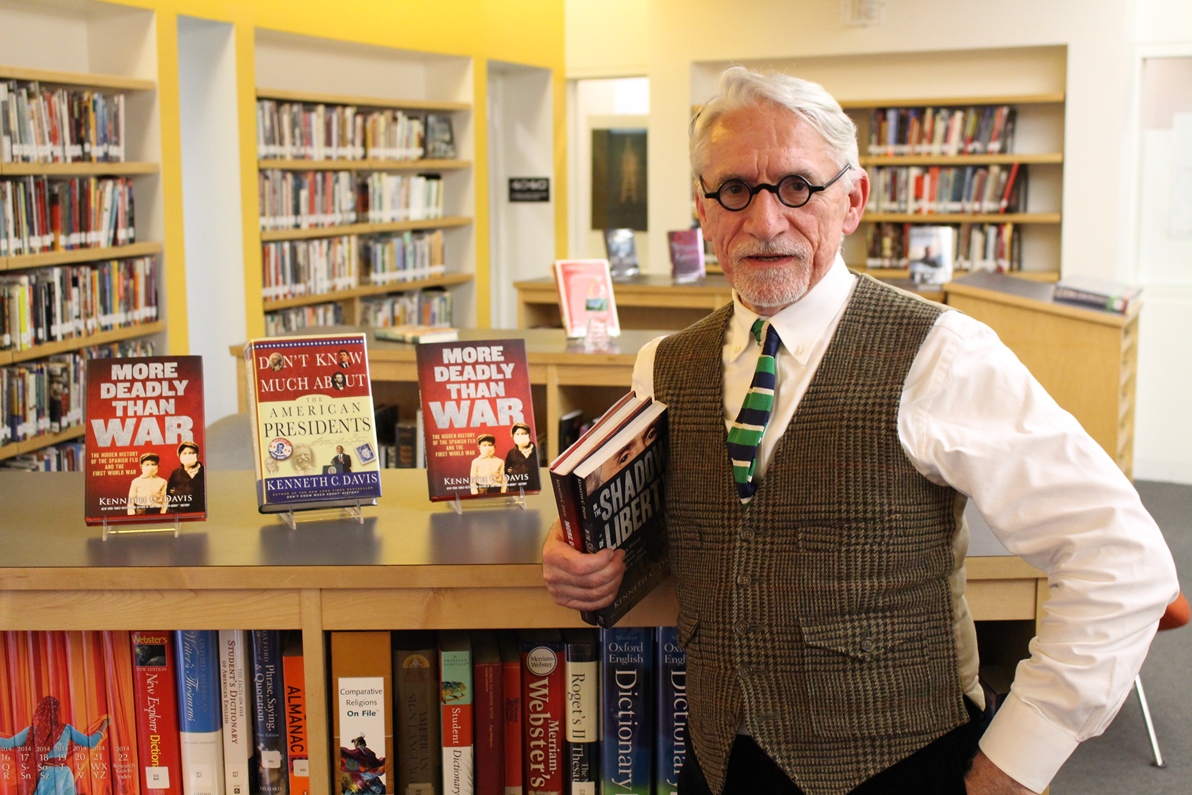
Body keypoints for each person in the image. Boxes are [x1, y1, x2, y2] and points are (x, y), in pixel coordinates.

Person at [541, 66, 1178, 795]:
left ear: (853, 200)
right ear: (703, 208)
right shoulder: (663, 366)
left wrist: (1018, 762)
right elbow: (664, 539)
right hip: (719, 763)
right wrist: (584, 559)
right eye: (735, 190)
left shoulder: (942, 354)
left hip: (902, 764)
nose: (766, 220)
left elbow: (1123, 559)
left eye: (797, 186)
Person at [0, 696, 109, 795]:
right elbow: (91, 743)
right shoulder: (66, 729)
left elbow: (8, 744)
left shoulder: (32, 731)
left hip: (47, 776)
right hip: (64, 775)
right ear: (57, 712)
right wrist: (104, 725)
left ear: (40, 711)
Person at [166, 440, 205, 513]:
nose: (188, 456)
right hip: (180, 513)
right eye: (184, 453)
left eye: (191, 453)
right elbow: (169, 493)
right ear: (179, 455)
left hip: (199, 512)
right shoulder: (175, 473)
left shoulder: (204, 472)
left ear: (197, 455)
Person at [503, 422, 540, 491]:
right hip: (516, 489)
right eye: (517, 434)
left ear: (529, 435)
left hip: (534, 489)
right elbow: (506, 472)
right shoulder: (511, 453)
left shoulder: (536, 451)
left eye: (523, 434)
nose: (521, 436)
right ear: (513, 436)